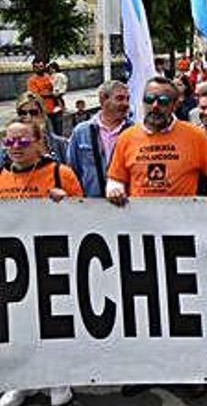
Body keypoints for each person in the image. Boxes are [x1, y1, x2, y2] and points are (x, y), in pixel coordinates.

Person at [0, 118, 81, 406]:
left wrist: (67, 204)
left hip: (56, 261)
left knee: (56, 323)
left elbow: (89, 222)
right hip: (16, 267)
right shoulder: (1, 177)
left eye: (23, 141)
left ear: (39, 143)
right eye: (9, 141)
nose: (15, 147)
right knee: (22, 323)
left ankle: (59, 379)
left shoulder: (62, 173)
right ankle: (22, 381)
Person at [105, 77, 207, 203]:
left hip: (184, 218)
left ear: (175, 105)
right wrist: (115, 190)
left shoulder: (195, 136)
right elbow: (116, 179)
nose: (155, 106)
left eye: (163, 101)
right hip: (140, 219)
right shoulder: (126, 137)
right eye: (149, 99)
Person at [66, 81, 133, 198]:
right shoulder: (81, 132)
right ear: (103, 99)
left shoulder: (135, 132)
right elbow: (72, 171)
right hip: (91, 205)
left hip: (128, 203)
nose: (126, 103)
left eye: (127, 99)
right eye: (120, 98)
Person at [2, 92, 68, 163]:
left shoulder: (61, 145)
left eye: (33, 112)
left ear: (42, 115)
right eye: (22, 113)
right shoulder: (8, 148)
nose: (28, 117)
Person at [27, 56, 62, 135]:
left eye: (41, 66)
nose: (39, 68)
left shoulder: (50, 76)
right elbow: (36, 95)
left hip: (56, 109)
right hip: (43, 110)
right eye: (36, 67)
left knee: (59, 132)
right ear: (33, 68)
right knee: (47, 133)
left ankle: (60, 146)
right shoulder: (31, 80)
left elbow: (58, 89)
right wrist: (50, 94)